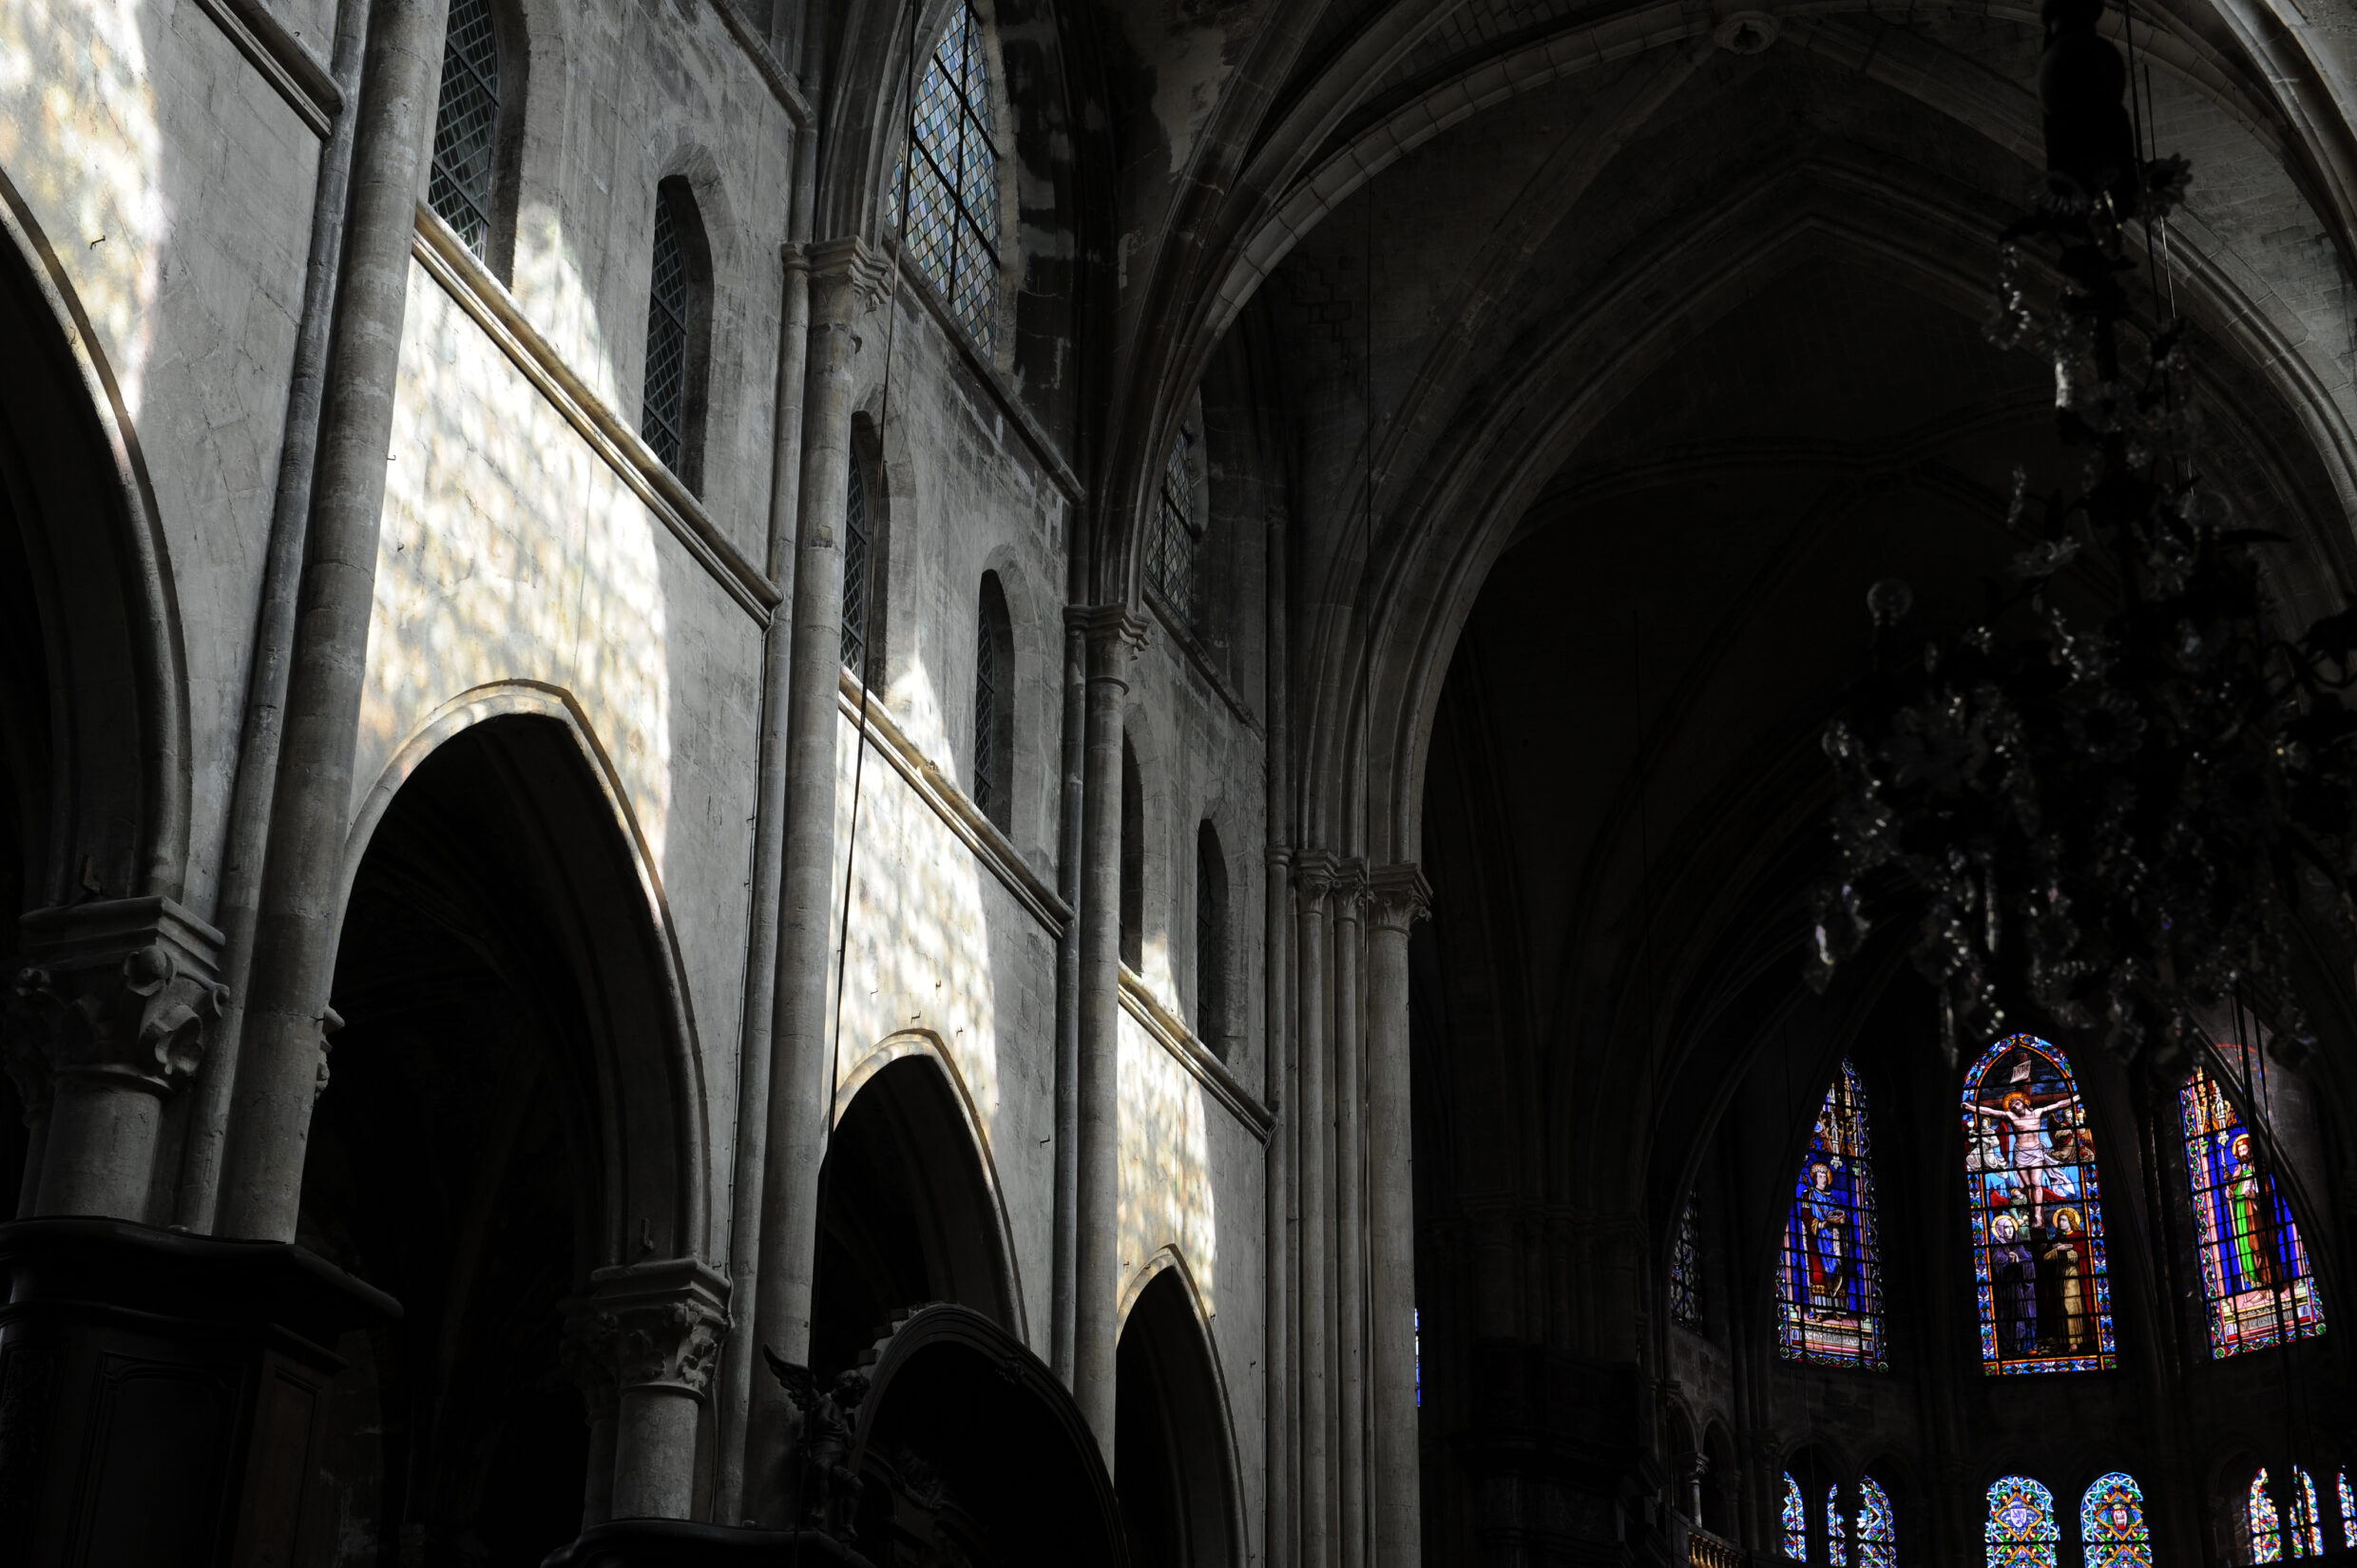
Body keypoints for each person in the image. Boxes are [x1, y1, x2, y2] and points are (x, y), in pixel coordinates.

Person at [1798, 1159, 1849, 1313]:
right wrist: (1821, 1225)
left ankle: (1836, 1309)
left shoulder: (1832, 1199)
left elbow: (1838, 1216)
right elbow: (1806, 1216)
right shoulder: (1808, 1195)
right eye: (1820, 1176)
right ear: (1814, 1178)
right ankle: (1820, 1310)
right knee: (1818, 1273)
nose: (1824, 1179)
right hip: (1817, 1240)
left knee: (1837, 1270)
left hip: (1833, 1241)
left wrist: (1841, 1220)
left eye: (1825, 1176)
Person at [2041, 1206, 2090, 1352]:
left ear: (2071, 1221)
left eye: (2063, 1220)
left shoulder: (2080, 1235)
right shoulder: (2058, 1239)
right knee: (2062, 1307)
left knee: (2071, 1306)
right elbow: (2046, 1258)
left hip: (2073, 1275)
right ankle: (2064, 1340)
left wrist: (2068, 1249)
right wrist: (2058, 1249)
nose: (2060, 1223)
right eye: (2059, 1220)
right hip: (2060, 1276)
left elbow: (2081, 1254)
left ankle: (2076, 1341)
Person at [1990, 1211, 2039, 1355]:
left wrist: (2019, 1262)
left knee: (2025, 1315)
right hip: (2007, 1292)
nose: (2010, 1230)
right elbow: (1996, 1266)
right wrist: (2008, 1263)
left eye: (2011, 1227)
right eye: (2006, 1228)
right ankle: (2012, 1346)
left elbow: (2029, 1263)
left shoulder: (2018, 1244)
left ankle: (2027, 1346)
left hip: (2022, 1291)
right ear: (2000, 1230)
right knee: (2011, 1317)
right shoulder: (1997, 1245)